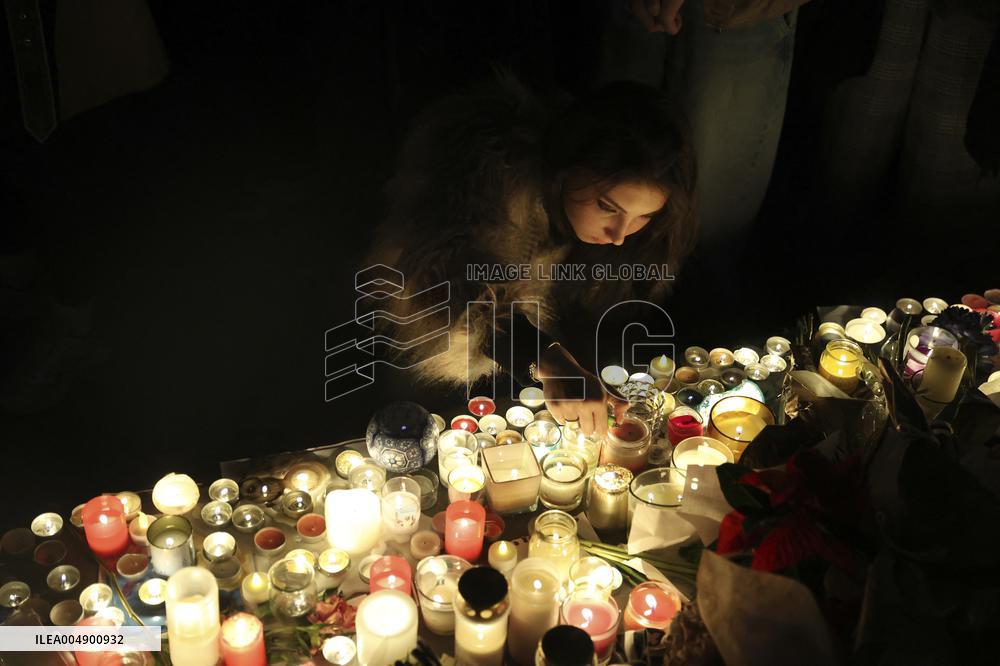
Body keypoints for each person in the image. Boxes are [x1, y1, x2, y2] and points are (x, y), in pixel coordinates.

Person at [364, 73, 697, 435]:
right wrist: (545, 358)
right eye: (606, 206)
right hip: (433, 392)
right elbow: (446, 293)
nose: (619, 235)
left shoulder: (637, 246)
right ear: (566, 169)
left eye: (643, 217)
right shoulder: (495, 176)